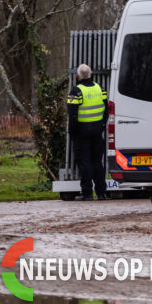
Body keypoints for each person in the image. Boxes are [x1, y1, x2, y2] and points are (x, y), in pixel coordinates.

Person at [67, 64, 108, 201]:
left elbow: (72, 114)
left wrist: (72, 132)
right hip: (97, 130)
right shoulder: (100, 89)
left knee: (85, 162)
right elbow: (106, 110)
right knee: (97, 161)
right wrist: (101, 126)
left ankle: (87, 193)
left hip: (81, 132)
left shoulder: (75, 91)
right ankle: (101, 193)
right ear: (91, 74)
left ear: (77, 76)